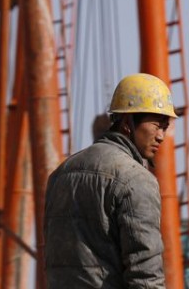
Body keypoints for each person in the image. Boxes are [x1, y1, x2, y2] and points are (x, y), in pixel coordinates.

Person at [44, 72, 176, 288]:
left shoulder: (60, 174)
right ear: (127, 122)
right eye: (156, 125)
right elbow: (145, 274)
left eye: (165, 127)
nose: (161, 136)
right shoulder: (135, 179)